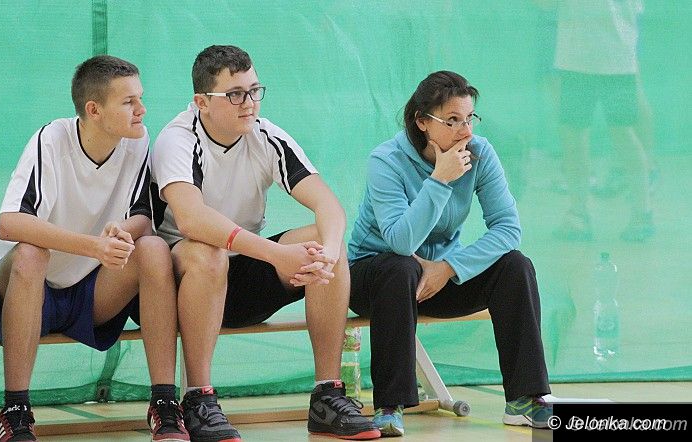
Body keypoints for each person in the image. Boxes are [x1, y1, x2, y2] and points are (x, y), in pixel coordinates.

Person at [150, 45, 380, 441]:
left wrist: (328, 251)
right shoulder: (177, 140)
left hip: (241, 278)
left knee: (323, 242)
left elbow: (328, 205)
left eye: (254, 91)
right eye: (235, 94)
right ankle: (198, 399)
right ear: (202, 102)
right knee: (207, 252)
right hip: (181, 284)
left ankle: (327, 395)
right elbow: (192, 220)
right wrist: (276, 254)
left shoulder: (266, 135)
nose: (249, 103)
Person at [0, 56, 187, 442]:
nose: (142, 109)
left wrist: (119, 232)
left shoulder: (137, 140)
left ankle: (165, 403)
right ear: (94, 110)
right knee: (31, 254)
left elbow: (142, 217)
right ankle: (15, 411)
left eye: (140, 98)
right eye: (129, 101)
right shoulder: (52, 139)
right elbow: (10, 223)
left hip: (89, 293)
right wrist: (94, 246)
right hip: (24, 288)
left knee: (152, 248)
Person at [348, 71, 553, 436]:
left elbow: (508, 228)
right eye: (453, 121)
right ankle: (390, 406)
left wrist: (449, 267)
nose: (465, 131)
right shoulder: (386, 160)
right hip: (374, 277)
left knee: (515, 266)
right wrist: (440, 179)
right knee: (399, 267)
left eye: (469, 118)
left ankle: (525, 399)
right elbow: (399, 241)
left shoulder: (480, 153)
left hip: (438, 278)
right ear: (422, 122)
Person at [549, 0, 654, 242]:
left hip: (612, 60)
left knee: (620, 134)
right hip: (580, 61)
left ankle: (641, 213)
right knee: (576, 136)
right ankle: (580, 214)